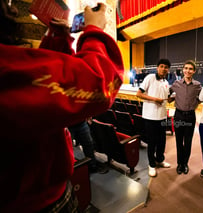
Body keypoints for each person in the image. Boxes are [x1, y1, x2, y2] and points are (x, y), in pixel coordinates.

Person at [0, 2, 124, 212]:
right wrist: (93, 31)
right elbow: (99, 84)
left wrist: (56, 41)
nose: (12, 9)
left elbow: (40, 95)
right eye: (6, 3)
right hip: (39, 202)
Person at [136, 59, 172, 177]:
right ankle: (151, 164)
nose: (163, 69)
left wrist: (172, 98)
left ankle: (160, 160)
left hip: (162, 117)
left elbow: (166, 98)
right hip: (150, 117)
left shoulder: (166, 82)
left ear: (168, 69)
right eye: (161, 66)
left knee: (162, 141)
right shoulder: (150, 77)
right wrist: (155, 99)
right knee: (152, 142)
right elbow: (139, 94)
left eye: (166, 67)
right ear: (157, 67)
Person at [168, 60, 202, 174]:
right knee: (178, 141)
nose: (188, 70)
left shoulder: (197, 85)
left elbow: (201, 97)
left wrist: (195, 103)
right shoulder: (176, 84)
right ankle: (179, 164)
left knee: (188, 142)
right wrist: (172, 98)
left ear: (194, 71)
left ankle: (185, 163)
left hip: (190, 116)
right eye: (186, 68)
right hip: (178, 115)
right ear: (183, 70)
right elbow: (168, 93)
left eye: (190, 69)